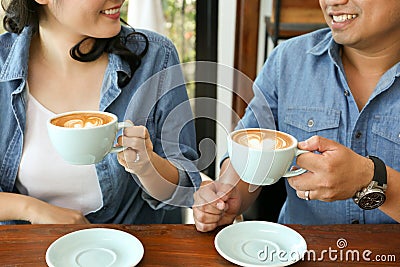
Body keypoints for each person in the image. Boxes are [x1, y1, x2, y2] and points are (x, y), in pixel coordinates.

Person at [193, 0, 400, 232]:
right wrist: (227, 195)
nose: (333, 1)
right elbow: (249, 151)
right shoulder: (287, 61)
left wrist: (370, 179)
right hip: (295, 253)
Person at [0, 0, 201, 224]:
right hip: (26, 253)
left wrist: (148, 166)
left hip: (131, 251)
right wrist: (32, 210)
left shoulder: (156, 58)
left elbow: (186, 188)